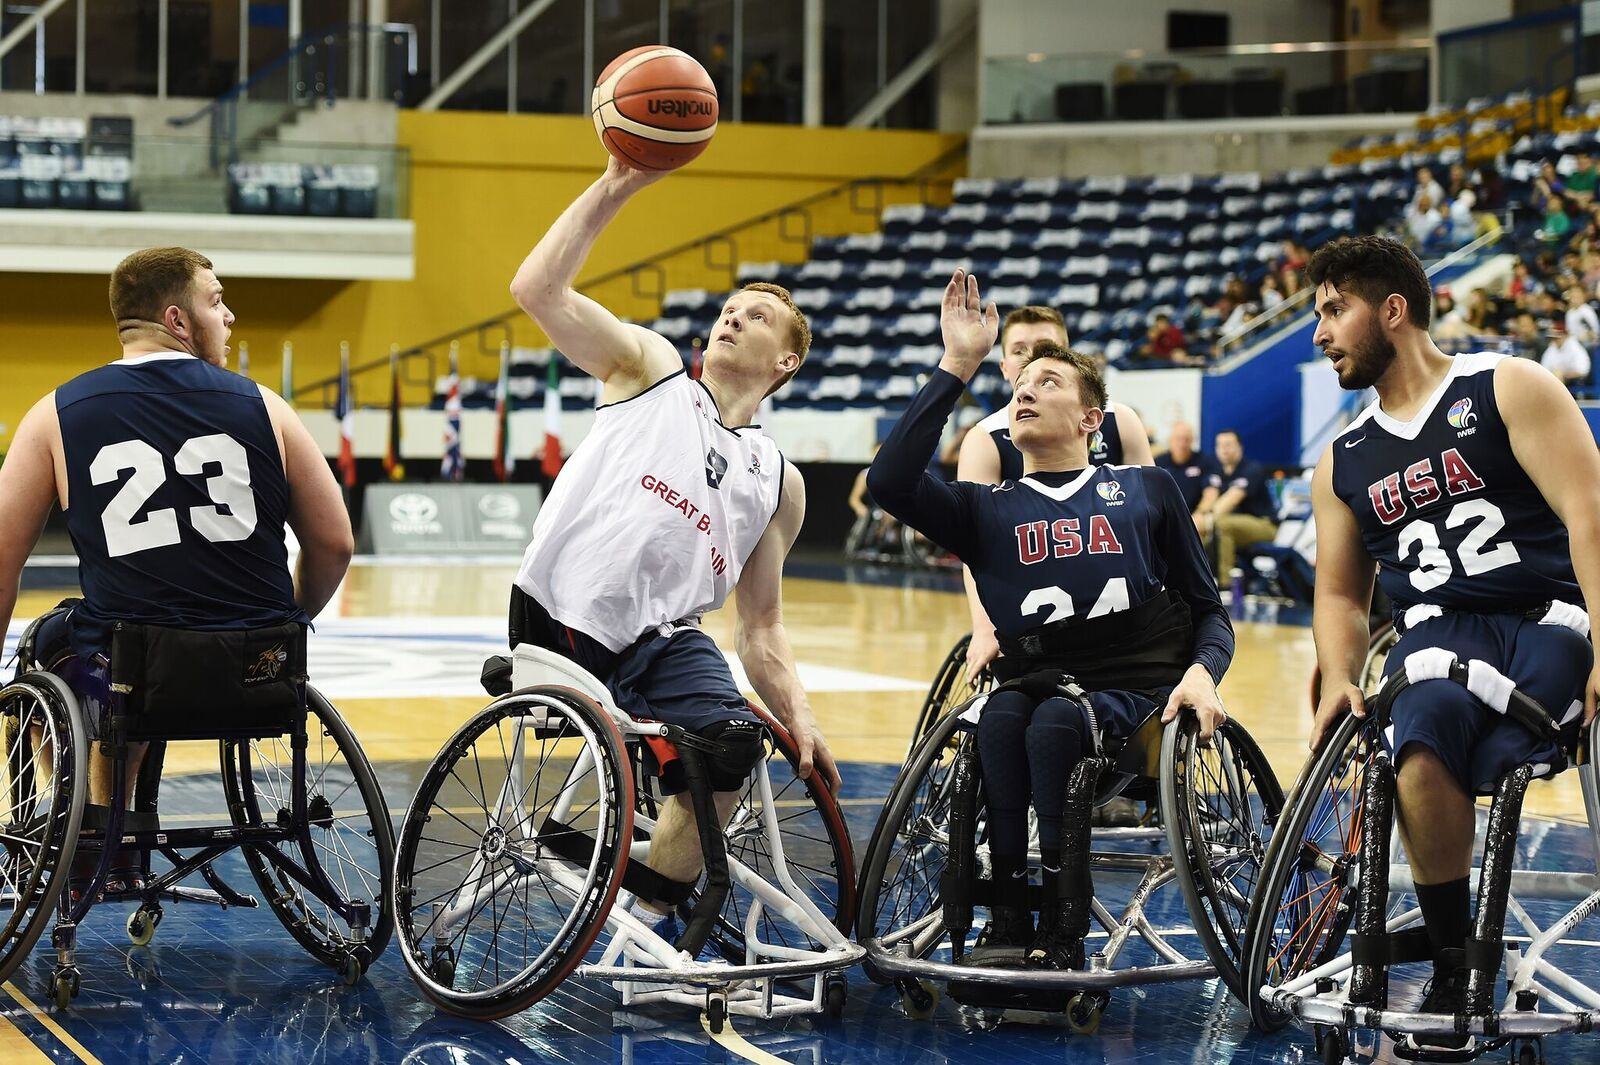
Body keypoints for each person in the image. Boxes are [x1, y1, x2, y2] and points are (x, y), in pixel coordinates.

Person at [506, 158, 838, 952]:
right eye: (728, 309)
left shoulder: (779, 481)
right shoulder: (651, 372)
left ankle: (650, 917)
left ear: (786, 361)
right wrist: (618, 185)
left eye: (756, 317)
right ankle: (640, 880)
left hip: (662, 642)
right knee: (666, 745)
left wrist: (798, 710)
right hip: (565, 618)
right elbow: (536, 291)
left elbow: (759, 629)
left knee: (731, 741)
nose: (732, 318)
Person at [867, 269, 1232, 970]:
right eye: (1019, 382)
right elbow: (889, 482)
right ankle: (1006, 916)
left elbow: (1209, 609)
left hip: (1135, 692)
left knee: (1056, 720)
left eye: (1050, 382)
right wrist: (956, 366)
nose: (1027, 389)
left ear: (1093, 419)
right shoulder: (986, 507)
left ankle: (1065, 925)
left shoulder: (1147, 489)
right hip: (1039, 685)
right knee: (1003, 718)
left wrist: (1203, 675)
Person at [1307, 235, 1600, 1050]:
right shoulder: (1342, 460)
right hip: (1432, 637)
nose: (1321, 332)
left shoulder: (1509, 385)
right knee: (1422, 741)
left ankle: (1474, 951)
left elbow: (1591, 520)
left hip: (1542, 619)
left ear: (1392, 311)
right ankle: (1449, 956)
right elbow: (1338, 592)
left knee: (1504, 759)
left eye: (1335, 309)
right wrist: (1337, 671)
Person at [0, 246, 353, 881]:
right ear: (177, 320)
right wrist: (287, 622)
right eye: (216, 302)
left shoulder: (54, 413)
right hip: (260, 669)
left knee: (58, 639)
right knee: (134, 641)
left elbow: (1, 557)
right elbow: (334, 544)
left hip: (139, 668)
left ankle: (87, 816)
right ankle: (112, 813)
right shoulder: (267, 407)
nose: (231, 316)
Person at [956, 305, 1154, 686]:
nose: (1031, 357)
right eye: (1018, 350)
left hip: (1123, 607)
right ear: (1003, 367)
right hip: (1032, 612)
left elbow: (1154, 527)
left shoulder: (1120, 421)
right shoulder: (985, 438)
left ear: (1069, 357)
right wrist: (983, 629)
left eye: (1045, 347)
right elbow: (973, 551)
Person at [1195, 429, 1279, 581]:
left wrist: (1206, 521)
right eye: (1220, 445)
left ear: (1240, 447)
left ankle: (1225, 585)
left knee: (1222, 524)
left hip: (1264, 525)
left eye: (1228, 445)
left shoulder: (1251, 469)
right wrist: (1194, 520)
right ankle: (1194, 582)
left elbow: (1231, 499)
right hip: (1230, 524)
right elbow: (1209, 498)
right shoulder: (1216, 471)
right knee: (1197, 529)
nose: (1224, 449)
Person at [1155, 421, 1219, 527]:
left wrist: (1201, 513)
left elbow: (1211, 492)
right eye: (1178, 439)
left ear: (1193, 440)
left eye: (1186, 439)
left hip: (1193, 515)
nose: (1182, 444)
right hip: (1165, 516)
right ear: (1170, 440)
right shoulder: (1158, 463)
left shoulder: (1204, 461)